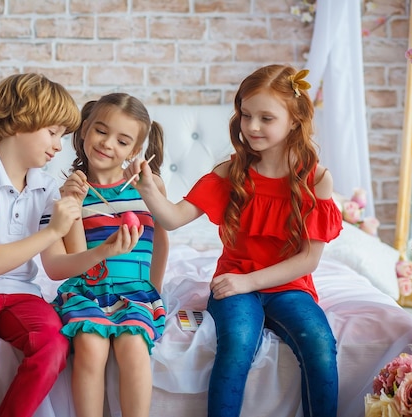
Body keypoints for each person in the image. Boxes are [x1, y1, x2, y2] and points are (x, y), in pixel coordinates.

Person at [123, 65, 342, 417]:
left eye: (266, 118)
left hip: (289, 286)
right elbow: (173, 218)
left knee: (320, 344)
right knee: (238, 344)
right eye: (246, 115)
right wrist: (148, 188)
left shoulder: (316, 179)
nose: (252, 126)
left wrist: (248, 281)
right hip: (233, 287)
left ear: (294, 120)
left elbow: (308, 260)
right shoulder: (230, 172)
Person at [0, 73, 141, 417]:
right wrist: (54, 229)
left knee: (54, 346)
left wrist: (105, 251)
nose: (58, 145)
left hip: (21, 293)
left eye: (62, 136)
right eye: (52, 133)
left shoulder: (45, 186)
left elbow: (54, 268)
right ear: (19, 122)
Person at [53, 92, 169, 417]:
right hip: (88, 290)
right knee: (90, 346)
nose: (107, 144)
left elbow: (161, 241)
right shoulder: (71, 191)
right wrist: (72, 205)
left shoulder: (149, 186)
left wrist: (153, 290)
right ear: (85, 130)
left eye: (122, 141)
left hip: (136, 291)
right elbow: (75, 256)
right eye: (101, 131)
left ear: (134, 151)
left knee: (134, 347)